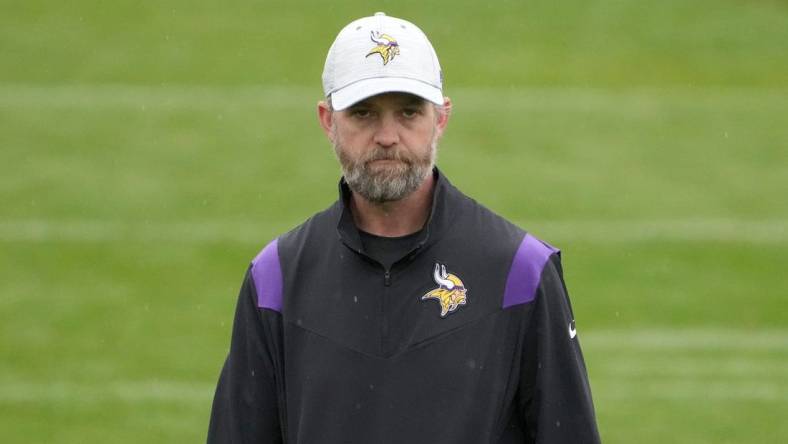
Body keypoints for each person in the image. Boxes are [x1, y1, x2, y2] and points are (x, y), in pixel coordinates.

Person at [208, 12, 600, 444]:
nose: (387, 136)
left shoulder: (520, 272)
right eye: (364, 113)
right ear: (327, 120)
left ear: (442, 118)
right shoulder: (276, 278)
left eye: (409, 112)